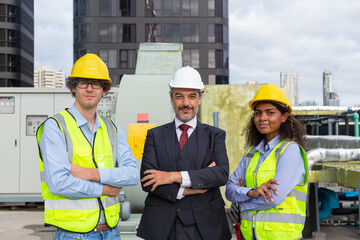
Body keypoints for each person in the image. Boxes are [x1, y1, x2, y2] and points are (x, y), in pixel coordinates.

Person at [36, 53, 139, 240]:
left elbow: (132, 174)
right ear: (74, 87)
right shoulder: (55, 126)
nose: (90, 89)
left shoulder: (112, 129)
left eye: (96, 83)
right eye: (84, 82)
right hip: (74, 235)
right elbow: (59, 183)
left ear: (104, 90)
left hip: (111, 232)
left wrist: (92, 174)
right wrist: (104, 189)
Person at [136, 66, 232, 240]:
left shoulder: (215, 135)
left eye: (192, 96)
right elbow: (148, 181)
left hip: (206, 226)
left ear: (200, 99)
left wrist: (173, 176)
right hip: (163, 226)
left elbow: (221, 174)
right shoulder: (154, 135)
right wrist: (192, 189)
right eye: (179, 96)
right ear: (171, 99)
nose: (186, 103)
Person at [225, 84, 309, 240]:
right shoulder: (252, 152)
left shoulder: (290, 151)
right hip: (248, 235)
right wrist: (252, 192)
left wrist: (242, 202)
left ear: (284, 117)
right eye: (258, 113)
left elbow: (274, 198)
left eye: (270, 113)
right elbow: (229, 190)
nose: (262, 118)